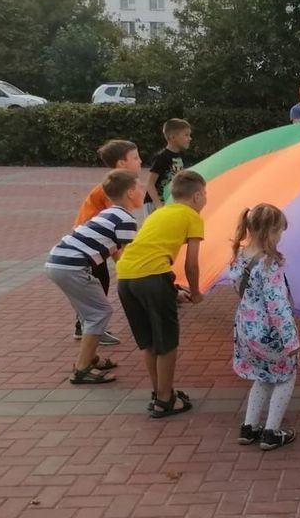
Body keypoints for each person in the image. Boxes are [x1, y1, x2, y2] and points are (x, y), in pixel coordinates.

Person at [116, 169, 206, 418]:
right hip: (153, 278)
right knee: (166, 342)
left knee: (149, 342)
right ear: (197, 196)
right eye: (205, 194)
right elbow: (191, 265)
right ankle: (166, 400)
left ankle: (160, 392)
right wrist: (196, 293)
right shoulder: (191, 216)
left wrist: (172, 290)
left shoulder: (160, 213)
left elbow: (148, 251)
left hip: (126, 278)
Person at [46, 170, 141, 385]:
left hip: (58, 261)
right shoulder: (126, 219)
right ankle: (82, 369)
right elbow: (129, 257)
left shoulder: (110, 213)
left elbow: (117, 254)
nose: (141, 191)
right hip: (71, 266)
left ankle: (89, 358)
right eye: (139, 187)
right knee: (100, 312)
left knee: (92, 313)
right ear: (130, 192)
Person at [231, 204, 300, 450]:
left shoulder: (240, 257)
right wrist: (291, 341)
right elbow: (278, 306)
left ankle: (249, 427)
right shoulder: (270, 264)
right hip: (270, 333)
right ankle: (271, 432)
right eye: (279, 231)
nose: (280, 237)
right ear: (269, 231)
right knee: (285, 377)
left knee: (262, 376)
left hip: (246, 329)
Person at [70, 139, 143, 345]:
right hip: (89, 247)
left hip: (92, 245)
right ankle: (91, 328)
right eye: (135, 158)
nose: (140, 161)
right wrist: (126, 265)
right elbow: (115, 231)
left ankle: (84, 325)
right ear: (122, 164)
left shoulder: (114, 184)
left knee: (98, 284)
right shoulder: (114, 190)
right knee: (98, 286)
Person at [145, 119, 191, 215]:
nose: (190, 138)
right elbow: (150, 183)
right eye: (186, 135)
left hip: (169, 203)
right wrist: (159, 206)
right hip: (155, 204)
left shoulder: (181, 156)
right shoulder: (162, 157)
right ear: (173, 137)